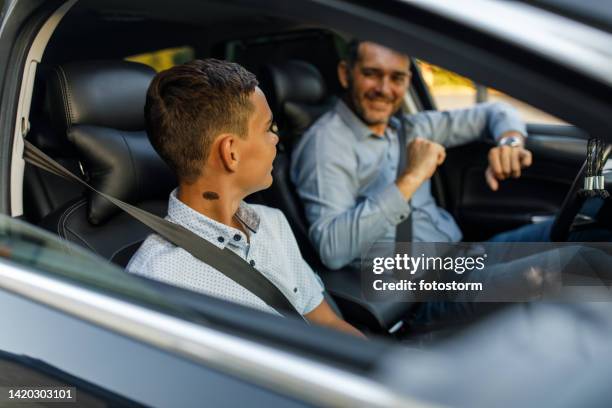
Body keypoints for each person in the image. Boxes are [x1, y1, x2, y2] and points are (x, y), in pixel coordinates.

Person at [127, 59, 362, 337]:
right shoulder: (158, 279)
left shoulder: (273, 223)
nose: (275, 139)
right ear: (231, 153)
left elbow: (327, 323)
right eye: (267, 129)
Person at [291, 40, 552, 271]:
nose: (384, 89)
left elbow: (496, 111)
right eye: (371, 74)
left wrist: (510, 142)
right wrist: (411, 176)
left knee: (575, 233)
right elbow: (332, 249)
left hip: (464, 258)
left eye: (397, 78)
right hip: (422, 291)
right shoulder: (325, 144)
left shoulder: (411, 127)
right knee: (559, 274)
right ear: (345, 75)